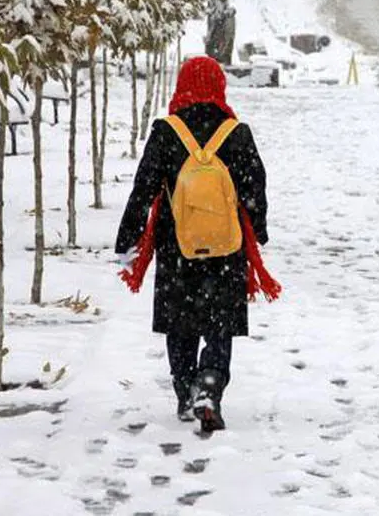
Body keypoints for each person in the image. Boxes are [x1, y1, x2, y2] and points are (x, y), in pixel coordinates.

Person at [114, 56, 279, 434]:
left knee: (181, 321)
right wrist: (258, 231)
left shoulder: (166, 131)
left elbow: (144, 190)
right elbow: (255, 187)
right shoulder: (236, 132)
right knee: (219, 321)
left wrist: (128, 239)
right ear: (219, 86)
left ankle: (186, 387)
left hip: (177, 246)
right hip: (226, 246)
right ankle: (210, 384)